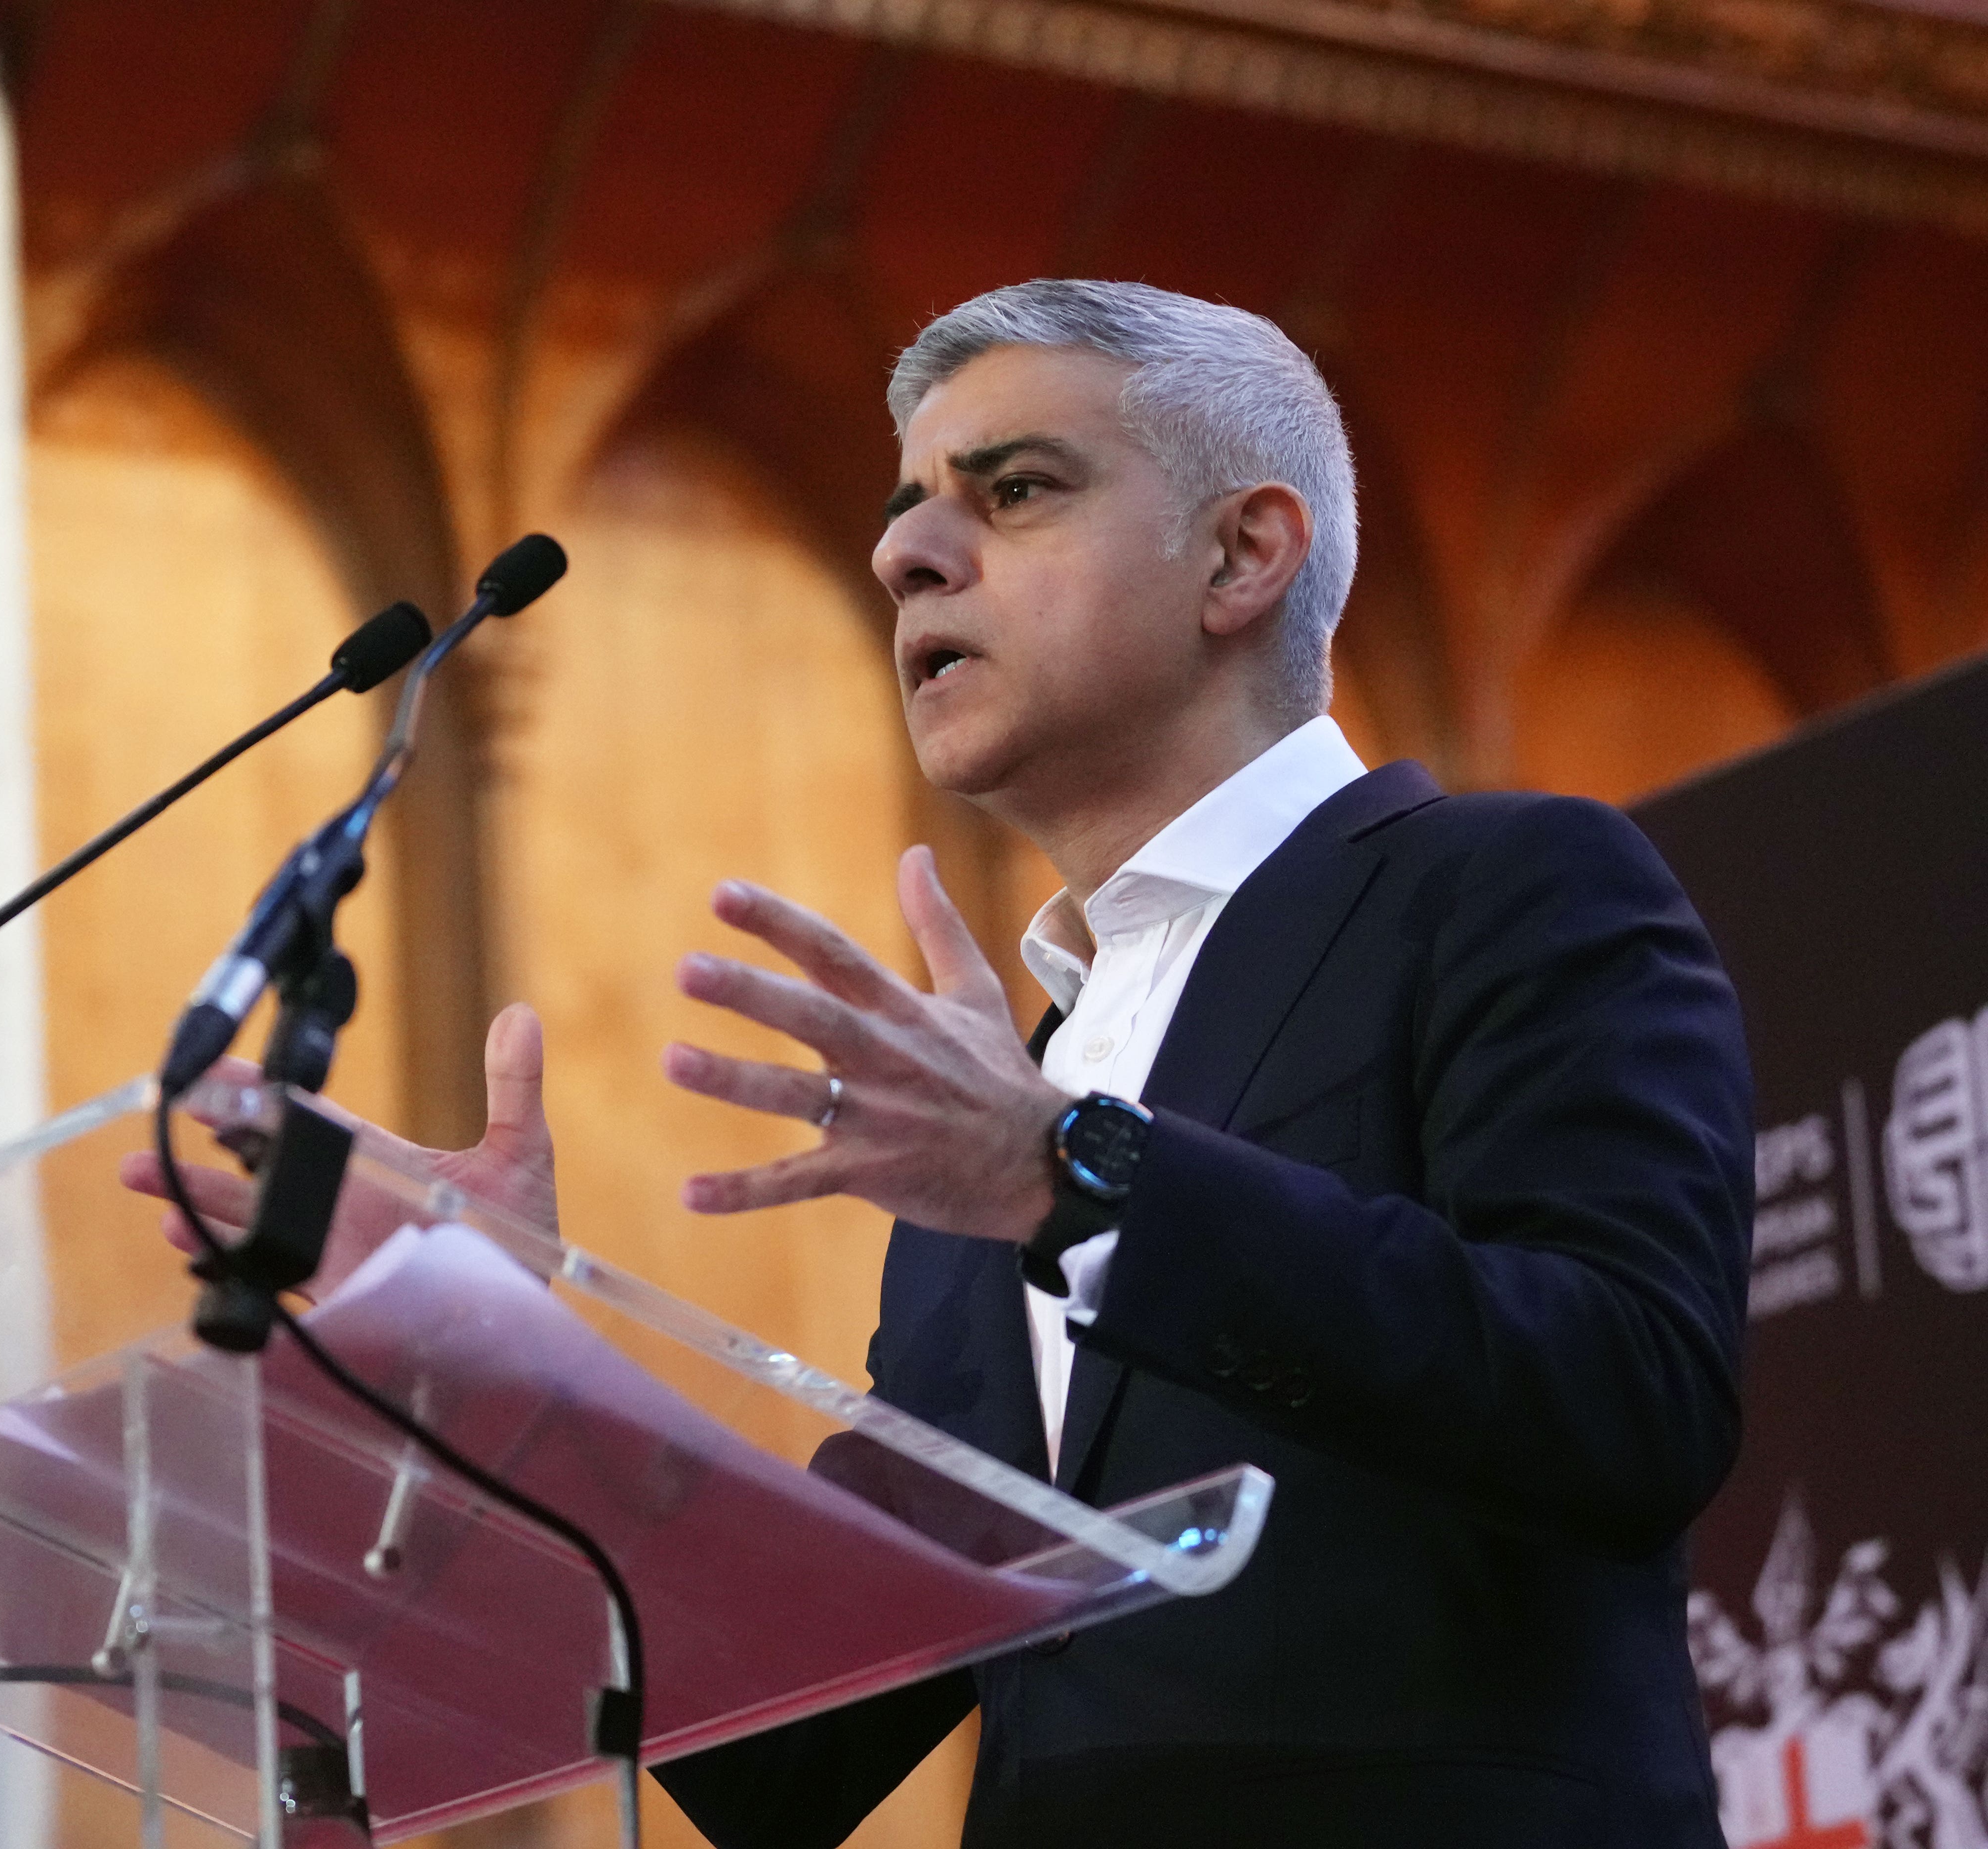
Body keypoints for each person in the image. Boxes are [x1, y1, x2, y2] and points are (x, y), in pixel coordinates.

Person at [130, 278, 1754, 1846]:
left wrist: (1075, 1178)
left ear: (1244, 553)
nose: (905, 552)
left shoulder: (1505, 889)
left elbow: (1631, 1400)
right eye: (907, 507)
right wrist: (499, 1363)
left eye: (1017, 489)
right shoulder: (1004, 1096)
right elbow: (789, 1750)